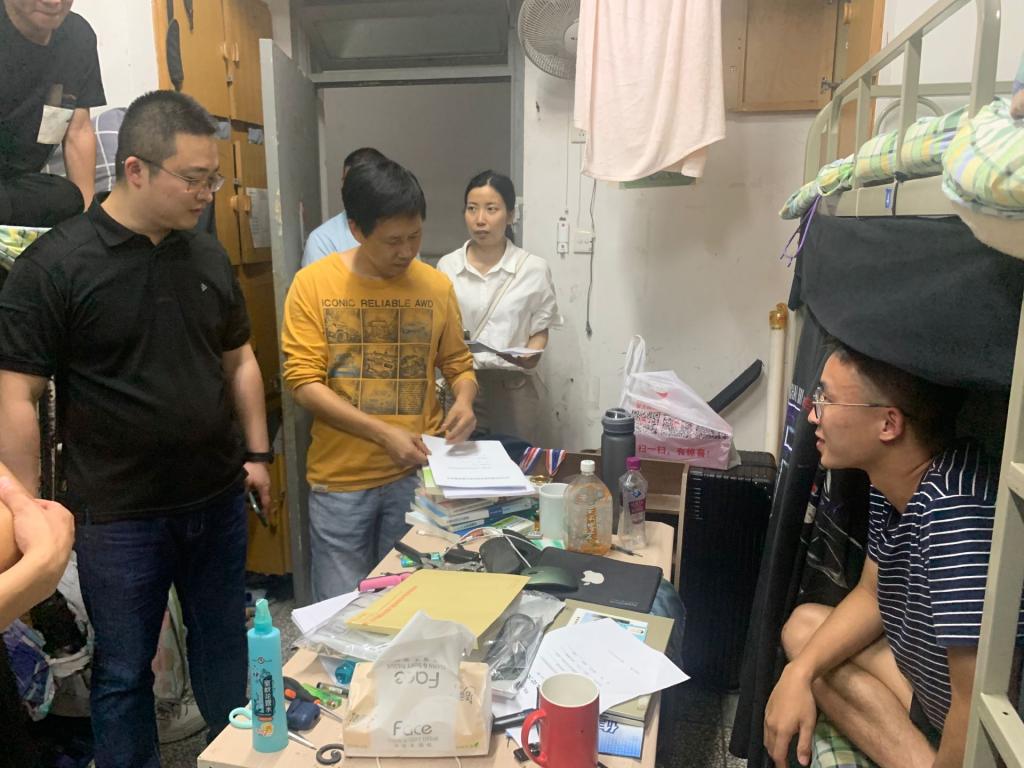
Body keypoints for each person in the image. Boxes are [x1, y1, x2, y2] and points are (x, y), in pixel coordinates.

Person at [0, 89, 271, 768]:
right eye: (195, 178)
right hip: (119, 515)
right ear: (135, 170)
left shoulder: (206, 256)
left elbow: (239, 358)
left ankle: (233, 758)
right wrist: (27, 508)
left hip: (215, 498)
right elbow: (17, 393)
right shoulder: (56, 265)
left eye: (214, 179)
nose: (207, 194)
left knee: (225, 650)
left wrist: (259, 453)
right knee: (124, 672)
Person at [763, 344, 1022, 768]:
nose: (813, 415)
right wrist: (799, 672)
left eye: (828, 399)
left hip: (977, 728)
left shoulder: (955, 511)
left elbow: (976, 700)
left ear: (888, 423)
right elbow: (871, 596)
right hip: (929, 691)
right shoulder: (894, 478)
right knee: (802, 630)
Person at [282, 158, 477, 600]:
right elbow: (303, 383)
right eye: (392, 241)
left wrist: (464, 400)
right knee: (340, 610)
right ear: (356, 229)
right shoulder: (313, 285)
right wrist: (382, 432)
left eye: (415, 236)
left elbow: (458, 363)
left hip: (417, 475)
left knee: (411, 602)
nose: (406, 251)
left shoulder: (435, 286)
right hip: (341, 480)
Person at [436, 171, 558, 444]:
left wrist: (532, 353)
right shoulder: (447, 266)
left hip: (512, 387)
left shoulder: (533, 269)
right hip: (461, 384)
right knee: (459, 461)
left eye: (491, 209)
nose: (480, 219)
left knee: (515, 461)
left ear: (511, 214)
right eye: (472, 209)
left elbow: (540, 328)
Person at [1, 0, 105, 226]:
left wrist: (88, 226)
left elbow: (78, 131)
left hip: (18, 188)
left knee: (69, 198)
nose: (53, 2)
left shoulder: (78, 37)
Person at [300, 146, 387, 268]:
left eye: (361, 183)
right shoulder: (323, 241)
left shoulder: (402, 231)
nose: (352, 190)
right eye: (347, 182)